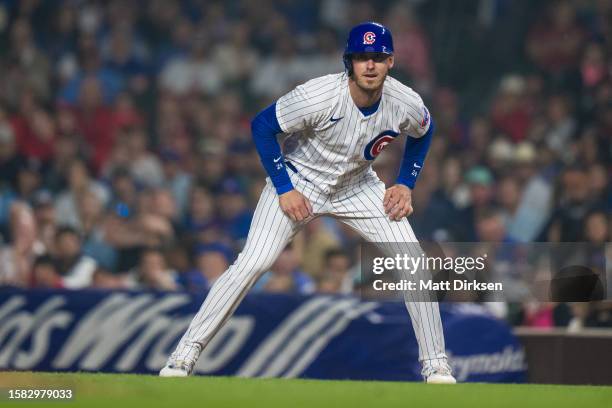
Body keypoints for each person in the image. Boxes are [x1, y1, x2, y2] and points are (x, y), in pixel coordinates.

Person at [160, 22, 456, 384]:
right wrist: (284, 187)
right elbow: (262, 126)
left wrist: (406, 183)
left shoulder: (404, 101)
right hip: (299, 179)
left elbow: (424, 131)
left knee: (413, 261)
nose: (370, 65)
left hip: (357, 185)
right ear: (349, 61)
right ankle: (184, 355)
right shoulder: (318, 95)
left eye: (377, 57)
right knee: (254, 262)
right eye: (362, 57)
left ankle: (436, 364)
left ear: (390, 61)